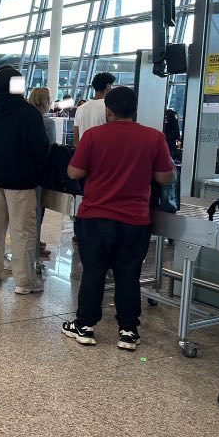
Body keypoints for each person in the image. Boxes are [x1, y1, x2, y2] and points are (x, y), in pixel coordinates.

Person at [62, 86, 174, 351]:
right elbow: (165, 177)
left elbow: (75, 172)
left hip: (96, 216)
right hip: (135, 220)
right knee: (128, 274)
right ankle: (128, 330)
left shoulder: (93, 136)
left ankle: (85, 326)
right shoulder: (153, 137)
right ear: (135, 109)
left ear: (107, 110)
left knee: (94, 271)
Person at [0, 65, 49, 293]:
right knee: (22, 231)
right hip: (23, 182)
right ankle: (24, 282)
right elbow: (41, 150)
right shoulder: (30, 113)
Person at [28, 86, 56, 258]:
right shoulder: (47, 122)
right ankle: (35, 244)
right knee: (38, 209)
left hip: (22, 170)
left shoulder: (24, 118)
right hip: (40, 172)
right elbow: (50, 147)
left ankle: (33, 241)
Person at [74, 72, 115, 146]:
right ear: (108, 86)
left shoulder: (80, 108)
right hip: (102, 154)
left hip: (84, 153)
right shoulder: (109, 107)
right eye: (112, 86)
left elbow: (76, 137)